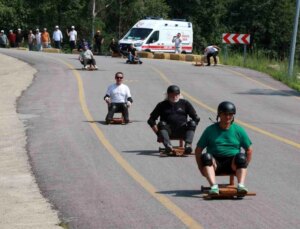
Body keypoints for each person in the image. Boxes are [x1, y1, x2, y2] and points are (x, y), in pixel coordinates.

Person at [195, 101, 253, 195]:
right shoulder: (210, 130)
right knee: (206, 157)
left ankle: (241, 185)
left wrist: (244, 166)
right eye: (225, 114)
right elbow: (198, 150)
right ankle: (214, 187)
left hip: (233, 164)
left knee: (241, 157)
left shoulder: (238, 130)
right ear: (219, 115)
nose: (228, 117)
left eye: (230, 114)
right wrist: (200, 167)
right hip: (215, 164)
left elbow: (249, 150)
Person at [147, 85, 200, 154]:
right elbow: (151, 120)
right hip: (168, 132)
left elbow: (196, 118)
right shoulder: (161, 105)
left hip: (182, 130)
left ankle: (188, 145)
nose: (174, 97)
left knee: (192, 122)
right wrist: (158, 134)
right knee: (161, 123)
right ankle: (168, 146)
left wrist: (190, 132)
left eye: (176, 95)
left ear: (179, 94)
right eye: (172, 95)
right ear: (168, 95)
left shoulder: (185, 103)